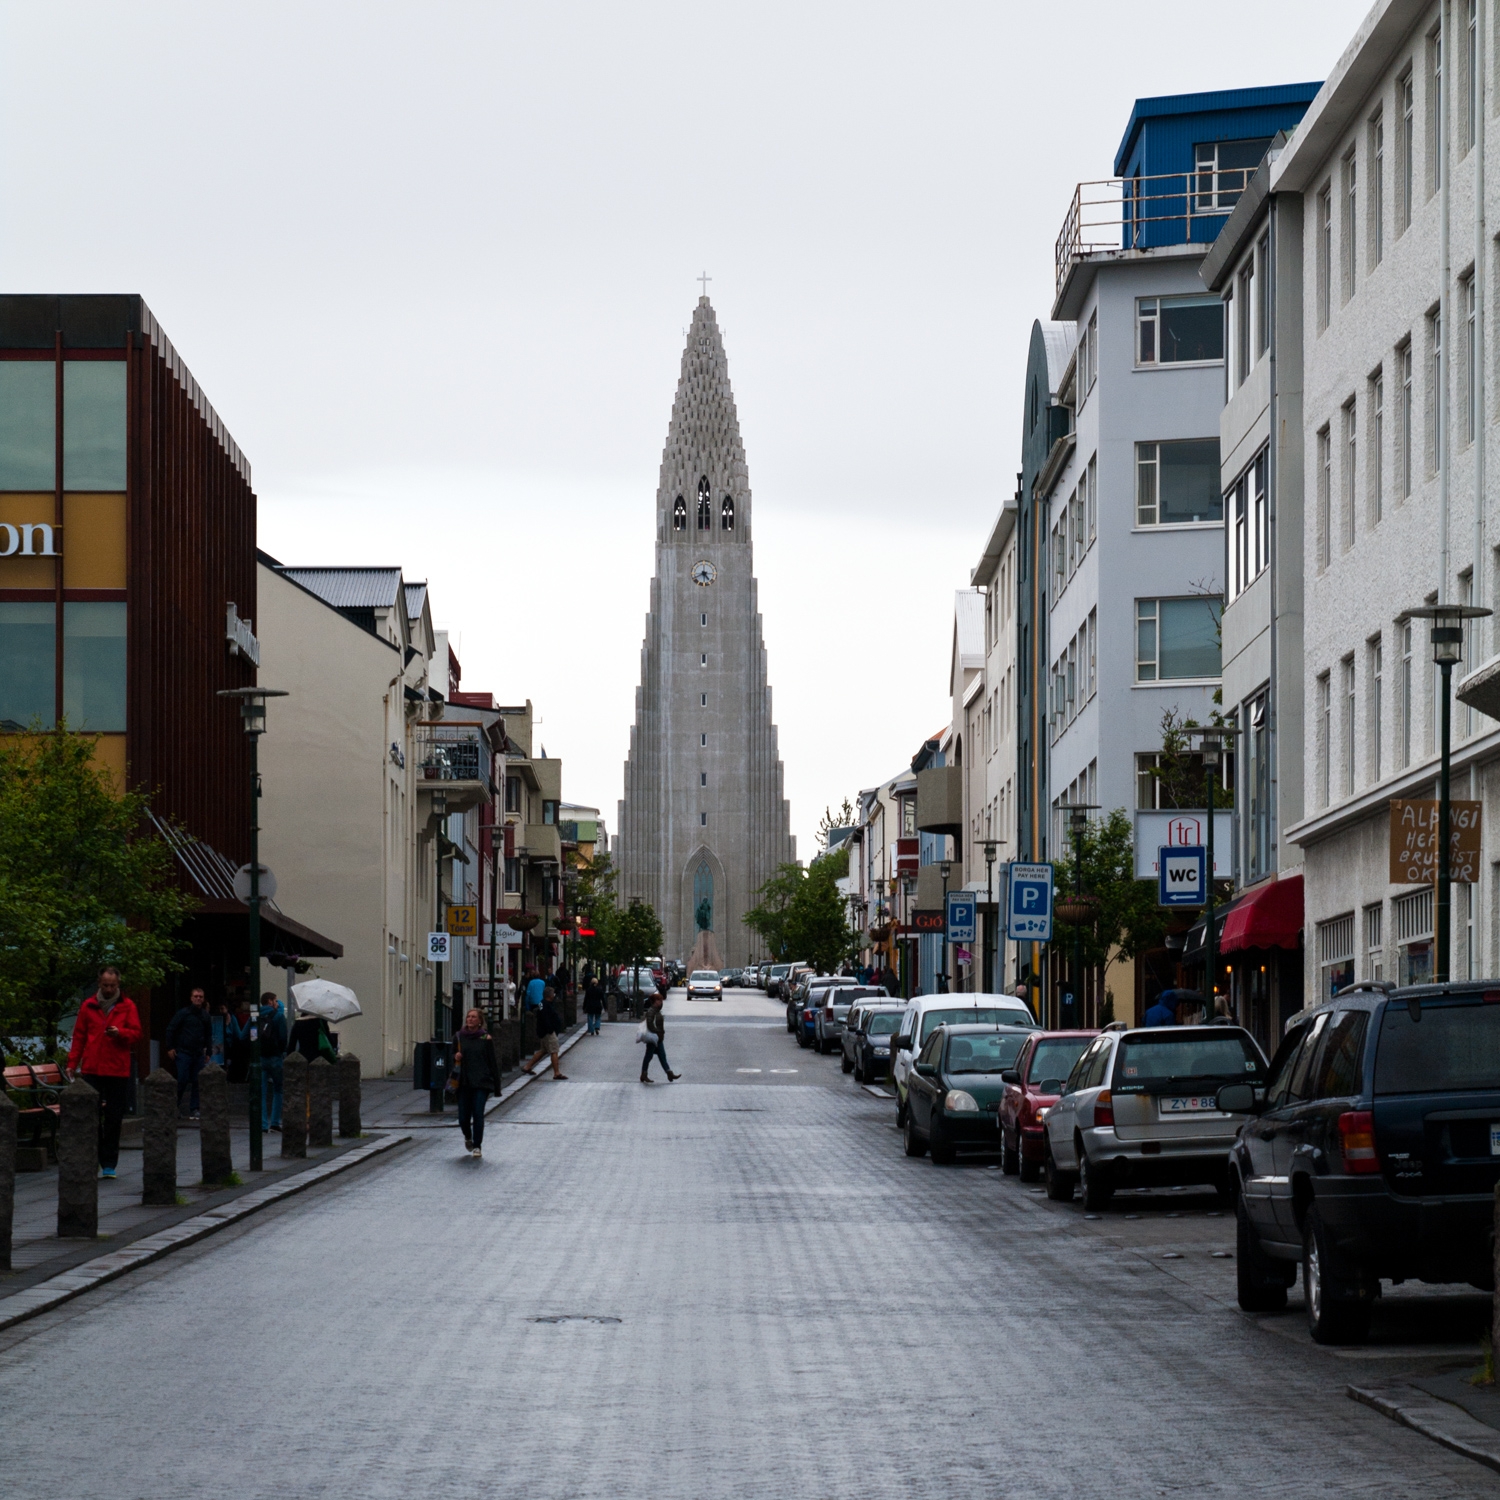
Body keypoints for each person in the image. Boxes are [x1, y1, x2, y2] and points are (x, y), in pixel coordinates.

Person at [66, 966, 142, 1180]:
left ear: (118, 985)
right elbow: (79, 1036)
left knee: (114, 1116)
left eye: (113, 985)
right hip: (93, 1067)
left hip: (117, 1068)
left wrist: (121, 1033)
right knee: (91, 1115)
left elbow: (136, 1033)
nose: (109, 989)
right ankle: (96, 1156)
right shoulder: (88, 1006)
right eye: (106, 985)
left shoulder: (127, 1006)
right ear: (99, 984)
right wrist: (73, 1063)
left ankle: (109, 1162)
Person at [452, 1008, 500, 1157]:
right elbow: (450, 1058)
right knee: (463, 1118)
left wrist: (496, 1086)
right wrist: (456, 1057)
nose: (470, 1019)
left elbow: (493, 1062)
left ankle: (477, 1145)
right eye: (468, 1017)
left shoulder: (485, 1038)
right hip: (464, 1082)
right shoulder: (459, 1037)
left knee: (478, 1113)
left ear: (480, 1021)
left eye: (473, 1017)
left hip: (481, 1082)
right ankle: (468, 1136)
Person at [164, 986, 214, 1119]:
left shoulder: (205, 1016)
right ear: (191, 998)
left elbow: (209, 1034)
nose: (198, 999)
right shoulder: (183, 1013)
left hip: (198, 1053)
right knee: (182, 1079)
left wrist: (208, 1051)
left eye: (200, 997)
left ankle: (195, 1108)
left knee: (198, 1081)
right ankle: (175, 1106)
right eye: (196, 996)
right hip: (184, 1052)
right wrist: (170, 1047)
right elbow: (171, 1029)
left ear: (203, 999)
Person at [523, 987, 568, 1080]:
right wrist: (551, 1029)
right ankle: (557, 1073)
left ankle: (527, 1066)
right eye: (553, 994)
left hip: (544, 1031)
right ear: (549, 995)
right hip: (548, 1032)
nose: (554, 995)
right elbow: (546, 1019)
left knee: (543, 1050)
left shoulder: (542, 1004)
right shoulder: (546, 1005)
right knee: (554, 1051)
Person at [258, 991, 288, 1131]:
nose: (277, 1003)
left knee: (261, 1092)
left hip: (260, 1058)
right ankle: (275, 1122)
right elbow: (283, 1038)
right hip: (275, 1057)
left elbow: (243, 1035)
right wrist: (281, 1052)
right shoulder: (278, 1016)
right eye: (275, 1001)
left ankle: (263, 1124)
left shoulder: (255, 1016)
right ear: (270, 1001)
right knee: (278, 1089)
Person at [639, 994, 679, 1084]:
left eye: (661, 1000)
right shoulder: (652, 1011)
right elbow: (649, 1023)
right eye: (659, 1000)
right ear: (654, 1001)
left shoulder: (656, 1010)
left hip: (658, 1038)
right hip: (654, 1038)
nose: (660, 1002)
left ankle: (669, 1073)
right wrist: (656, 1032)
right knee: (649, 1056)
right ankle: (644, 1074)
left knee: (662, 1056)